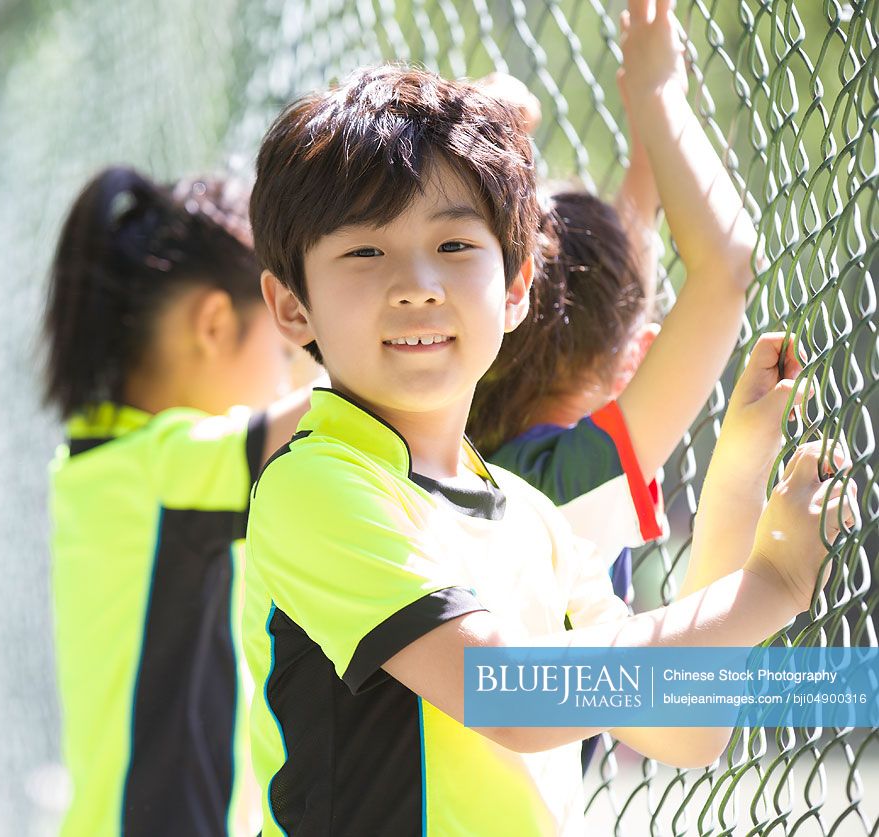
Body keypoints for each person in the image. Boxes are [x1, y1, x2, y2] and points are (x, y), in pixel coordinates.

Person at [241, 26, 850, 837]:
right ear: (291, 305)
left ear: (518, 283)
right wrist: (766, 587)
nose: (415, 285)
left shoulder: (529, 514)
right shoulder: (316, 483)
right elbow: (506, 693)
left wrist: (736, 491)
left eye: (453, 244)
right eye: (364, 251)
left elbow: (681, 725)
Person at [469, 4, 765, 772]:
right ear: (633, 353)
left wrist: (646, 130)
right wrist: (656, 93)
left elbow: (604, 287)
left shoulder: (465, 439)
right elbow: (725, 270)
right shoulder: (565, 485)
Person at [42, 166, 315, 837]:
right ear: (215, 324)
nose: (290, 375)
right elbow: (347, 405)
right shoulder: (169, 472)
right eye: (283, 350)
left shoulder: (105, 462)